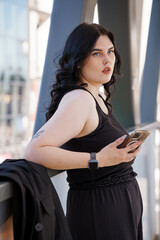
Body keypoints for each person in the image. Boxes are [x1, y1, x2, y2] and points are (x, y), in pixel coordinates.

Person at [23, 23, 143, 240]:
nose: (107, 60)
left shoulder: (96, 97)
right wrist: (98, 159)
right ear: (78, 60)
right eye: (97, 53)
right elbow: (34, 151)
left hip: (117, 207)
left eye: (110, 51)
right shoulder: (79, 99)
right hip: (100, 211)